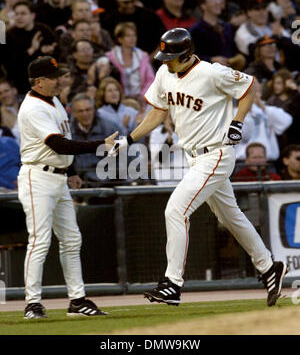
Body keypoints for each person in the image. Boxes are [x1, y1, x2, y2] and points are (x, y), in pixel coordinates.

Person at [109, 28, 289, 307]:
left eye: (172, 56)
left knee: (176, 210)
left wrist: (237, 122)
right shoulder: (164, 74)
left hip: (216, 153)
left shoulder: (211, 72)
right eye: (164, 55)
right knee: (231, 217)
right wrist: (129, 138)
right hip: (193, 156)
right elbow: (158, 111)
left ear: (187, 54)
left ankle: (172, 283)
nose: (166, 61)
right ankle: (269, 267)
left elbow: (249, 86)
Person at [17, 55, 118, 319]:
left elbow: (66, 141)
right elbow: (58, 145)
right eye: (54, 77)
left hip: (58, 176)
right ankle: (32, 303)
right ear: (39, 82)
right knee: (39, 241)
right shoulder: (33, 108)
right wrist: (100, 145)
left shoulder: (55, 101)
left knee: (72, 239)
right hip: (37, 177)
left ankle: (77, 299)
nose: (59, 80)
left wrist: (71, 171)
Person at [3, 0, 58, 94]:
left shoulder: (44, 30)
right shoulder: (9, 35)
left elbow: (57, 51)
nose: (19, 17)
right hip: (20, 84)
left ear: (32, 15)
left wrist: (50, 51)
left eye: (23, 13)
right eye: (16, 14)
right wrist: (31, 50)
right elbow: (10, 65)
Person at [233, 80, 292, 166]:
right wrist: (246, 109)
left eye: (256, 90)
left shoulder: (268, 110)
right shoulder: (234, 112)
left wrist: (262, 107)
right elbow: (243, 136)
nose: (253, 94)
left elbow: (286, 122)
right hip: (242, 163)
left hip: (268, 162)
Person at [70, 92, 123, 185]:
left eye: (88, 110)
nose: (85, 114)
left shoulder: (111, 128)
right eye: (80, 111)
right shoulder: (68, 133)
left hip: (108, 183)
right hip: (79, 183)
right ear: (74, 113)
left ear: (94, 110)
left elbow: (122, 157)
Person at [106, 22, 155, 108]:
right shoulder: (110, 57)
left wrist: (142, 95)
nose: (132, 39)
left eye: (134, 36)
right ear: (120, 39)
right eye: (128, 36)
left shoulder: (143, 56)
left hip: (140, 101)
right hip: (119, 101)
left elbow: (151, 79)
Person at [189, 0, 245, 69]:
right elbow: (192, 57)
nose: (218, 3)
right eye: (213, 1)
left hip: (230, 72)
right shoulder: (196, 30)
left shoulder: (227, 27)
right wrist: (211, 59)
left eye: (218, 0)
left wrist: (238, 57)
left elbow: (233, 49)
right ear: (203, 5)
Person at [101, 0, 166, 56]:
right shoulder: (110, 20)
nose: (130, 5)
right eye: (126, 3)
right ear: (118, 2)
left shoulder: (150, 16)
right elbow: (108, 44)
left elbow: (163, 39)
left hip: (152, 60)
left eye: (133, 1)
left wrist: (149, 60)